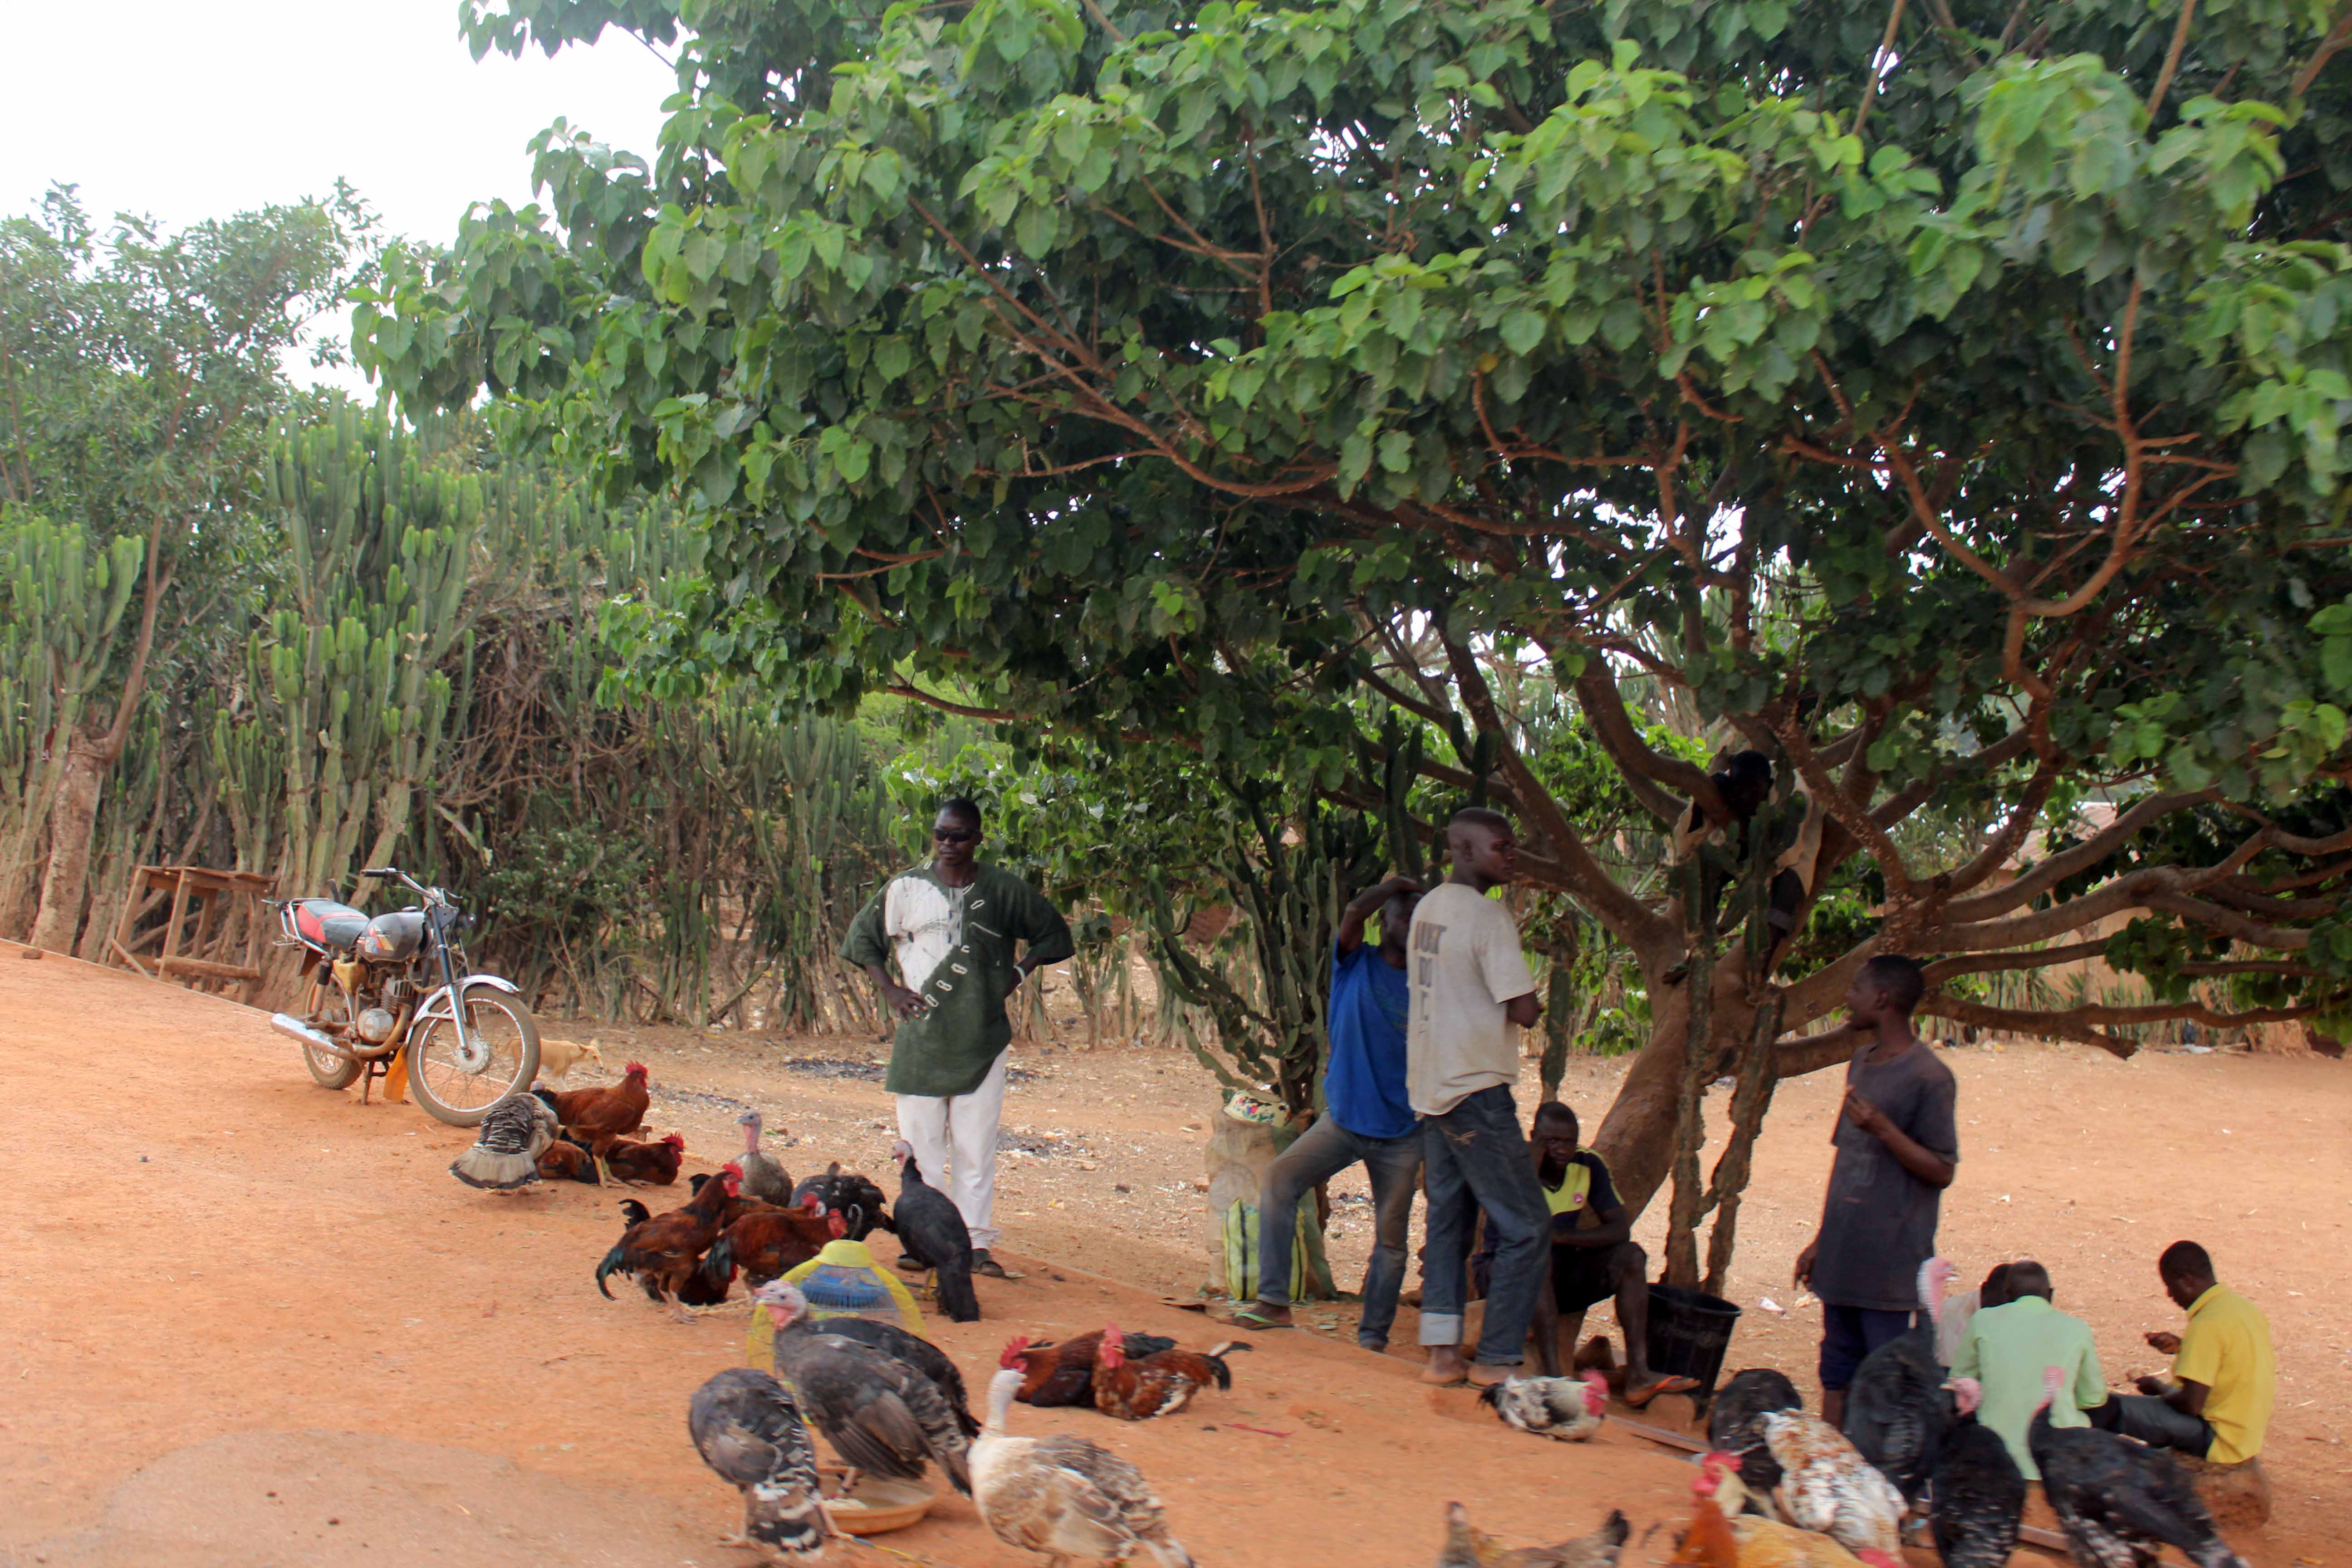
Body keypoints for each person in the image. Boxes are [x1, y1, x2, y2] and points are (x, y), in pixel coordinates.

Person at [841, 796, 1072, 1279]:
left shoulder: (1004, 890)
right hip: (920, 1040)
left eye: (959, 836)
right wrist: (890, 990)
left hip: (981, 1040)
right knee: (921, 1150)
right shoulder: (904, 888)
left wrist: (1019, 972)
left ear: (978, 838)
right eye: (941, 835)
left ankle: (976, 1245)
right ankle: (922, 1244)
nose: (948, 844)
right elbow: (863, 941)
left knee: (975, 1147)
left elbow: (1054, 934)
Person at [1231, 875, 1424, 1349]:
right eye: (1403, 915)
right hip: (1342, 1121)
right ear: (1385, 922)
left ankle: (1373, 1337)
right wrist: (1395, 885)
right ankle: (1274, 1303)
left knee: (1392, 1242)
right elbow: (1355, 912)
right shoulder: (1353, 962)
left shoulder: (1429, 984)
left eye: (1420, 918)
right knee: (1280, 1180)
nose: (1412, 923)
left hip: (1401, 1132)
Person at [1792, 953, 1959, 1428]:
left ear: (1882, 999)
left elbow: (1942, 1169)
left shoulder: (1931, 1078)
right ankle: (1835, 1478)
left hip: (1892, 1266)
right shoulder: (1860, 1063)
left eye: (1856, 990)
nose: (1847, 998)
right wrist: (1822, 1242)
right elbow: (1846, 1159)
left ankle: (1882, 1485)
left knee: (1886, 1385)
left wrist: (1884, 1128)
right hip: (1845, 1257)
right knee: (1836, 1376)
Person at [1409, 807, 1546, 1388]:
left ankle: (1442, 1355)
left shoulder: (1427, 908)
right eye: (1501, 847)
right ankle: (1496, 1358)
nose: (1511, 856)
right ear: (1464, 852)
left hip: (1432, 1088)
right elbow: (1524, 1008)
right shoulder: (1489, 918)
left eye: (1513, 847)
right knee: (1527, 1225)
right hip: (1477, 1089)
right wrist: (1535, 999)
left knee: (1449, 1217)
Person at [1474, 1101, 1698, 1402]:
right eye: (1552, 1141)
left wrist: (1564, 1237)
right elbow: (1518, 1229)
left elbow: (1619, 1229)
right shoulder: (1513, 1164)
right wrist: (1533, 1163)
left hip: (1559, 1272)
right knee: (1535, 1254)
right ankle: (1554, 1375)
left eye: (1569, 1141)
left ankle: (1638, 1374)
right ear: (1534, 1137)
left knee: (1631, 1257)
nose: (1562, 1150)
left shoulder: (1588, 1164)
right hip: (1503, 1275)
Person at [2087, 1240, 2274, 1465]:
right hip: (2244, 1437)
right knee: (2151, 1414)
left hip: (2217, 1439)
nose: (2169, 1294)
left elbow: (2191, 1405)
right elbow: (2229, 1357)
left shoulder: (2207, 1324)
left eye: (2170, 1286)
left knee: (2108, 1408)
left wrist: (2158, 1389)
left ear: (2186, 1282)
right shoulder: (2242, 1309)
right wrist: (2184, 1348)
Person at [1949, 1260, 2104, 1479]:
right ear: (2051, 1294)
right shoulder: (2078, 1329)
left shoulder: (1982, 1321)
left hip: (1996, 1451)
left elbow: (1960, 1379)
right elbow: (2094, 1398)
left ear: (2007, 1293)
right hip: (2058, 1457)